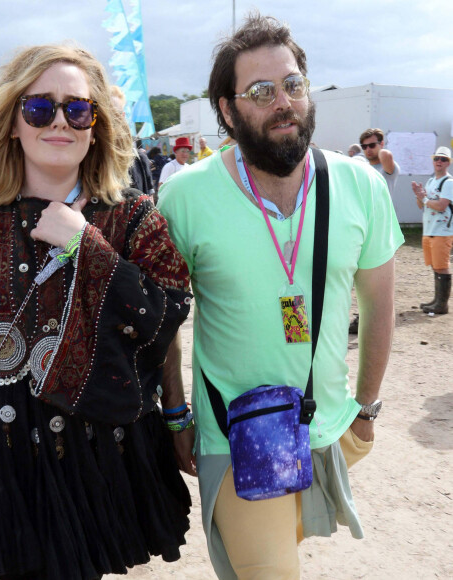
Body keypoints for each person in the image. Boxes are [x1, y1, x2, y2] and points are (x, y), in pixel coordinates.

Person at [0, 44, 193, 580]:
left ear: (96, 126)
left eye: (78, 109)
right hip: (1, 451)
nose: (60, 122)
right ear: (13, 122)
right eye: (39, 108)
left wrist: (87, 246)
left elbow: (163, 319)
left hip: (102, 450)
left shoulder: (134, 216)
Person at [158, 13, 404, 580]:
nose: (283, 102)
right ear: (226, 109)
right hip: (237, 431)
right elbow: (165, 323)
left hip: (333, 428)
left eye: (293, 85)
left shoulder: (359, 183)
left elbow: (378, 306)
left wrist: (365, 410)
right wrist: (176, 415)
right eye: (261, 91)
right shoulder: (185, 197)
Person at [348, 127, 401, 334]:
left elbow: (386, 156)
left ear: (381, 144)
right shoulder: (361, 169)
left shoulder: (388, 168)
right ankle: (362, 317)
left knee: (374, 281)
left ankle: (369, 320)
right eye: (364, 146)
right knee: (357, 276)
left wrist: (371, 153)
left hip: (380, 230)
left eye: (372, 145)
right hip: (361, 227)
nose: (368, 150)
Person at [411, 146, 453, 314]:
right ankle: (437, 300)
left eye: (443, 159)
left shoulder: (448, 182)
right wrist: (419, 196)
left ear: (448, 163)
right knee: (435, 266)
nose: (439, 162)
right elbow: (422, 205)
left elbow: (441, 206)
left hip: (442, 231)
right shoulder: (430, 181)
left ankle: (442, 305)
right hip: (429, 230)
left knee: (441, 266)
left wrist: (425, 198)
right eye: (436, 158)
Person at [110, 85, 154, 196]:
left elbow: (150, 206)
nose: (110, 119)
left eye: (116, 114)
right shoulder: (84, 161)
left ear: (123, 116)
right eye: (105, 113)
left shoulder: (139, 160)